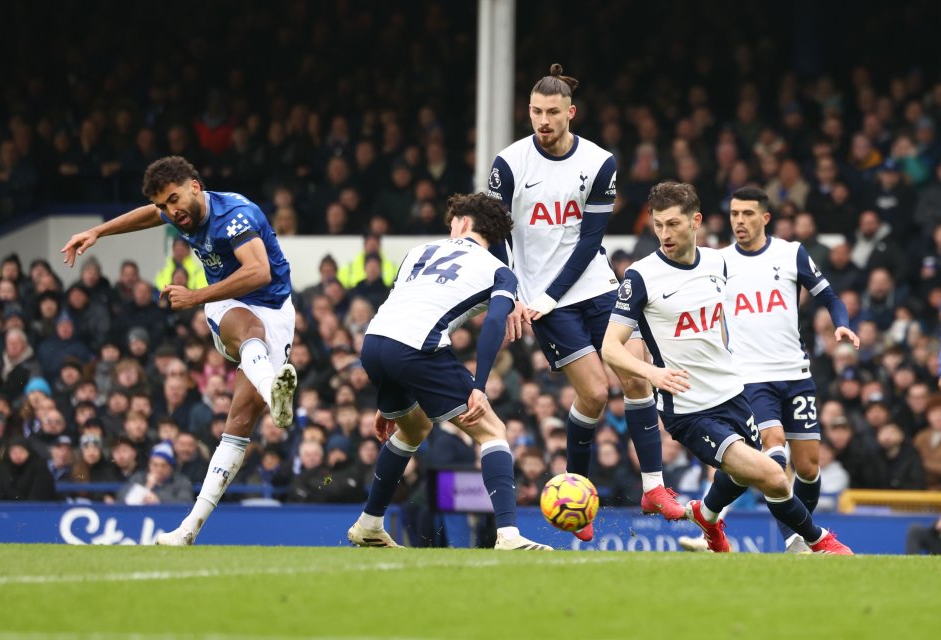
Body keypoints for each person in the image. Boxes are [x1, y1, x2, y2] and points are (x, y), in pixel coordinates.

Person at [601, 182, 853, 554]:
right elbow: (609, 347)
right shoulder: (642, 276)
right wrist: (653, 374)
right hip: (688, 408)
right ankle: (820, 542)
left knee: (740, 474)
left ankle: (705, 515)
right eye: (658, 225)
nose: (665, 235)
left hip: (733, 393)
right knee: (774, 475)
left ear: (696, 221)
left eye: (673, 224)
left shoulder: (719, 263)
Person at [487, 64, 681, 543]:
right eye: (535, 111)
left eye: (552, 112)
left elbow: (590, 239)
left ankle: (654, 486)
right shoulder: (508, 165)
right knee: (594, 393)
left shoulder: (599, 163)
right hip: (540, 300)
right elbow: (494, 234)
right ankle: (578, 492)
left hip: (591, 285)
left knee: (634, 371)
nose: (543, 120)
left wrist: (551, 295)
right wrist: (513, 292)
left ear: (571, 112)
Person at [61, 155, 298, 545]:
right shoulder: (175, 211)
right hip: (228, 306)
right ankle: (276, 392)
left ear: (195, 187)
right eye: (163, 205)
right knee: (247, 327)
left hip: (274, 311)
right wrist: (98, 232)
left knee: (239, 422)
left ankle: (188, 530)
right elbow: (147, 216)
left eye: (173, 199)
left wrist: (194, 296)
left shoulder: (235, 215)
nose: (170, 211)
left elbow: (259, 273)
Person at [347, 192, 551, 551]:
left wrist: (388, 391)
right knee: (492, 430)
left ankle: (369, 524)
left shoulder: (418, 251)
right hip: (416, 348)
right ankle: (508, 535)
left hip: (375, 343)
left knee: (415, 427)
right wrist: (480, 385)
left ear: (464, 223)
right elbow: (494, 325)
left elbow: (401, 304)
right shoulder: (499, 271)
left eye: (453, 220)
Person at [712, 186, 860, 552]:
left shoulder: (791, 253)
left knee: (808, 466)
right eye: (734, 214)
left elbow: (829, 295)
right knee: (774, 449)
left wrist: (840, 322)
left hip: (795, 374)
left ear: (765, 218)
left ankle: (799, 538)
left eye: (747, 214)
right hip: (749, 376)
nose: (739, 221)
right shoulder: (718, 262)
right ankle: (795, 538)